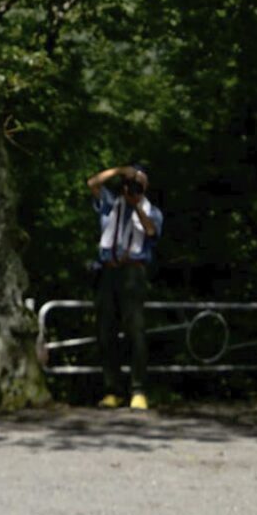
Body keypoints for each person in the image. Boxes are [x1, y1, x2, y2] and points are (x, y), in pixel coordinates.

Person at [86, 161, 161, 409]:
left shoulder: (151, 210)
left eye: (139, 182)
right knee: (105, 331)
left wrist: (136, 205)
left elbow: (151, 232)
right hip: (108, 271)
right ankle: (112, 389)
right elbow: (92, 184)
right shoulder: (111, 203)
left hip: (133, 271)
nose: (133, 186)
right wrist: (120, 171)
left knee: (135, 332)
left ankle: (138, 390)